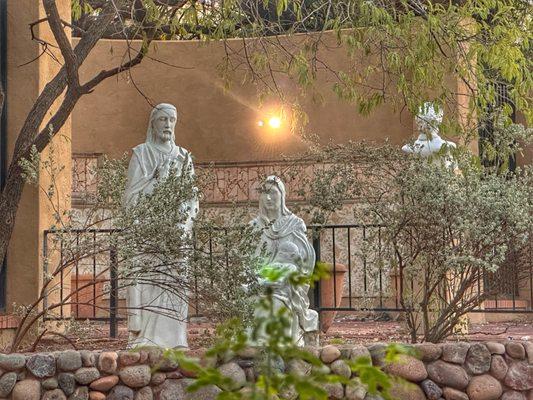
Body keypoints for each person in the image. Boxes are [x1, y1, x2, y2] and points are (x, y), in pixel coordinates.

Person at [123, 103, 198, 348]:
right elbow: (131, 197)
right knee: (151, 282)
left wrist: (182, 222)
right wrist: (157, 182)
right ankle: (146, 338)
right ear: (153, 123)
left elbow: (191, 198)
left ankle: (176, 339)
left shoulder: (184, 157)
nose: (167, 124)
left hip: (176, 234)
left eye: (172, 120)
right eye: (163, 119)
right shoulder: (141, 154)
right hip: (148, 232)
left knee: (174, 283)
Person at [250, 175, 318, 345]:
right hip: (260, 280)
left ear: (282, 195)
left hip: (287, 287)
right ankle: (255, 346)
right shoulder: (254, 227)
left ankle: (274, 346)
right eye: (264, 193)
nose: (268, 198)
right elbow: (248, 261)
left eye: (273, 192)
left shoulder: (295, 225)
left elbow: (304, 262)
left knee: (274, 301)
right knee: (254, 298)